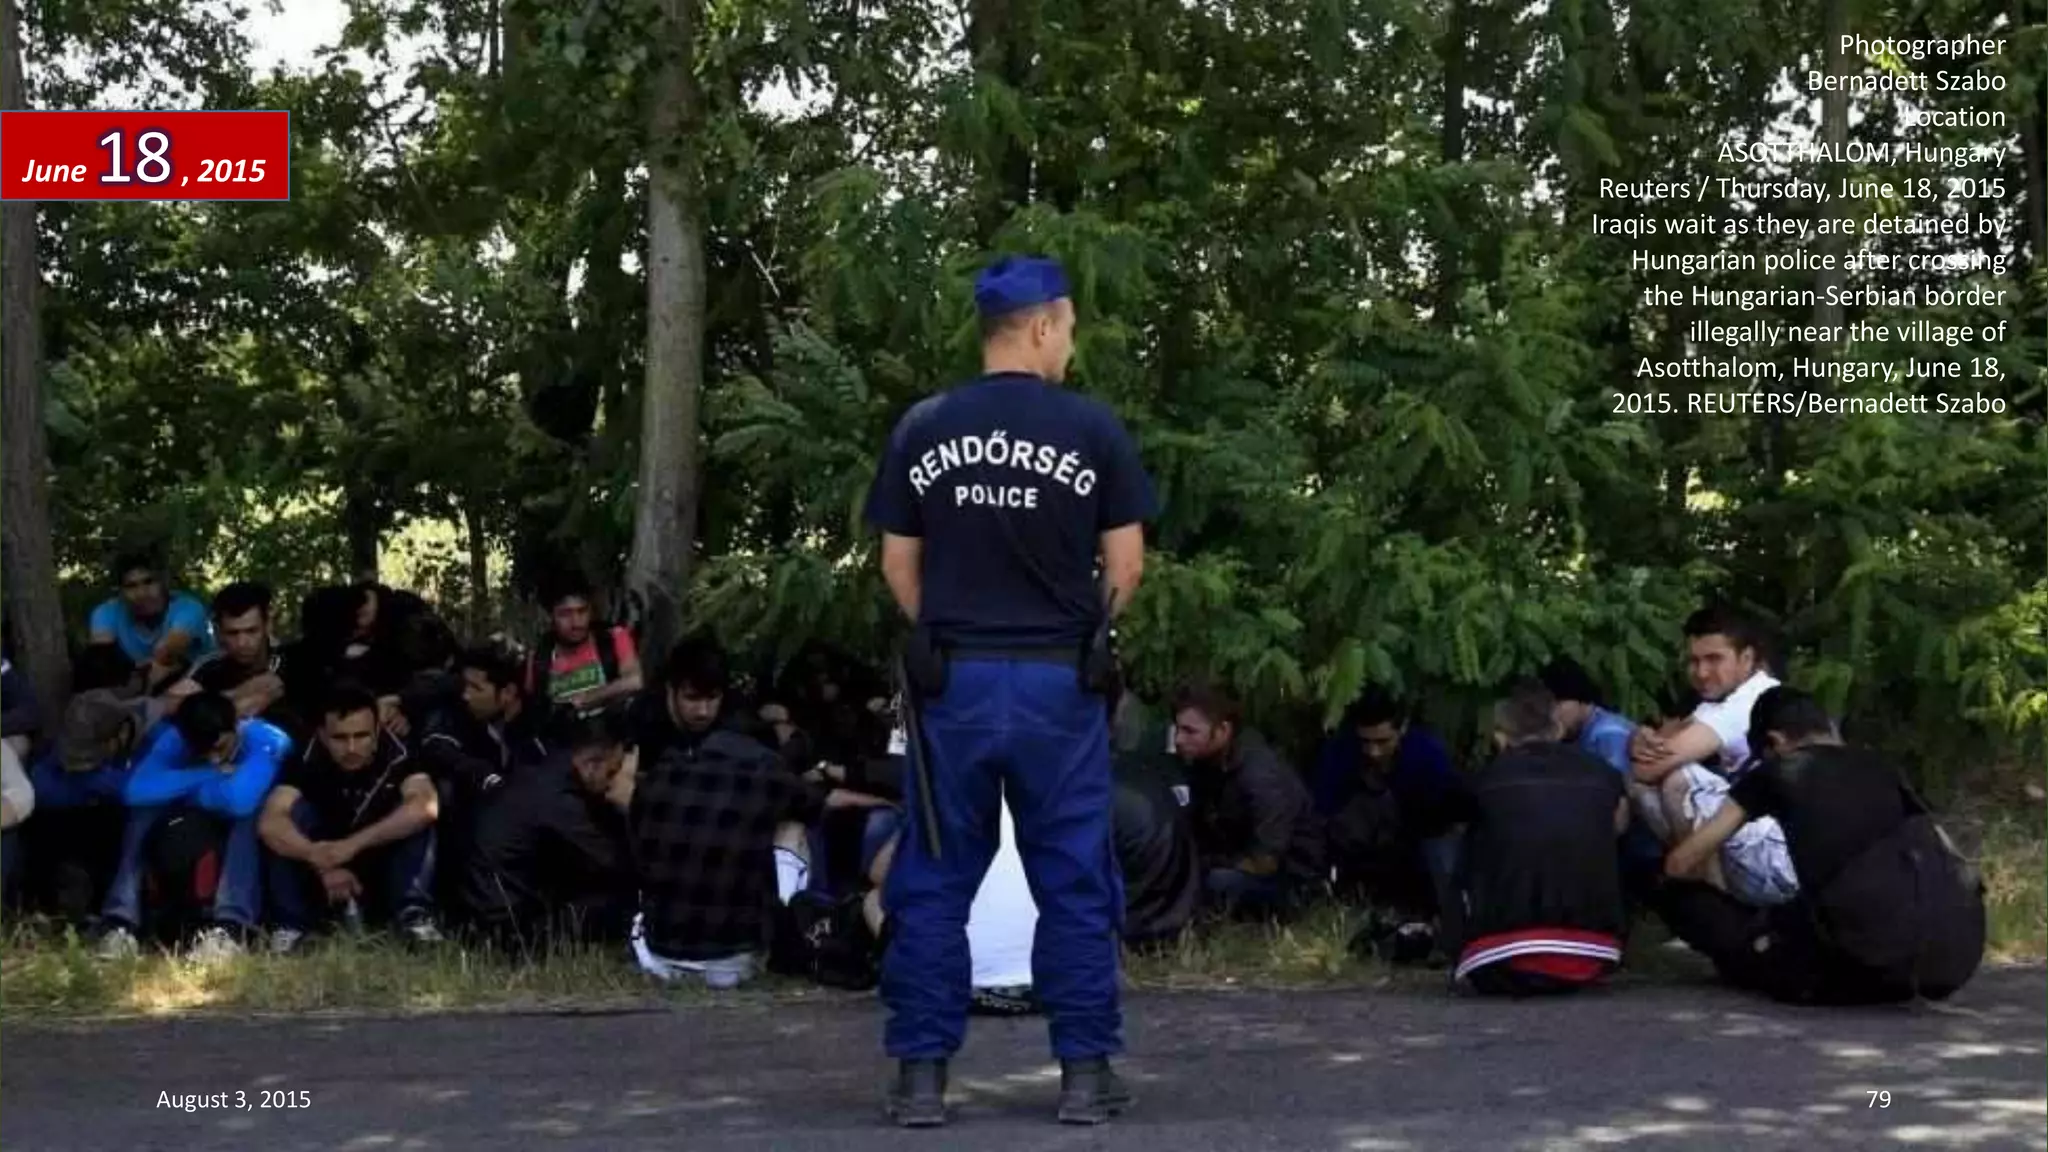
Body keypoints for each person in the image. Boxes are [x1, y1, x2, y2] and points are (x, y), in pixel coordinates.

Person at [862, 254, 1157, 1127]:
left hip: (953, 680)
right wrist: (1091, 633)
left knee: (934, 878)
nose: (1070, 343)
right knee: (1070, 875)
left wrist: (944, 631)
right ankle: (1084, 1077)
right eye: (1067, 327)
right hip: (1057, 685)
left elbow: (896, 564)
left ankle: (920, 1081)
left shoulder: (924, 427)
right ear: (1040, 326)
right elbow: (1127, 564)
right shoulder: (1090, 429)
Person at [1659, 687, 1985, 1004]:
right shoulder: (1883, 767)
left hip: (1861, 964)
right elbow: (1948, 851)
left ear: (1774, 742)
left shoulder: (1779, 770)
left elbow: (1682, 862)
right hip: (1954, 959)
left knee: (1681, 897)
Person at [1448, 681, 1629, 996]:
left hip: (1501, 957)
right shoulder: (1602, 773)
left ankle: (1457, 935)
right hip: (1594, 953)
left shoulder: (1484, 780)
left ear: (1500, 737)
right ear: (1557, 728)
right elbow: (1618, 827)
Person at [93, 692, 291, 961]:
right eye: (202, 752)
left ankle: (231, 928)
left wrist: (184, 788)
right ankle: (120, 922)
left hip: (255, 829)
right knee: (144, 810)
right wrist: (209, 775)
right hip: (196, 816)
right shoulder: (176, 738)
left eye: (219, 748)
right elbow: (135, 790)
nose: (212, 757)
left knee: (251, 810)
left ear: (235, 726)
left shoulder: (266, 739)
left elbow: (239, 800)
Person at [1628, 606, 1797, 908]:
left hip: (1783, 861)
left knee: (1679, 780)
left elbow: (1651, 767)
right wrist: (1638, 739)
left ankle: (1713, 906)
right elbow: (1654, 751)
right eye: (1694, 660)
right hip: (1757, 845)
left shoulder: (1753, 699)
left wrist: (1647, 752)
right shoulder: (1720, 702)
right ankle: (1711, 901)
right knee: (1644, 791)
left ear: (1746, 658)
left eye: (1714, 659)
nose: (1702, 672)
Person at [260, 685, 443, 953]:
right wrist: (318, 858)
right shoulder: (305, 757)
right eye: (340, 738)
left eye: (362, 736)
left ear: (377, 732)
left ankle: (413, 918)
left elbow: (425, 807)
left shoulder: (401, 754)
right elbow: (271, 821)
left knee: (413, 817)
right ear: (322, 734)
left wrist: (352, 846)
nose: (352, 748)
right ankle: (291, 926)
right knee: (292, 817)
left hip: (378, 858)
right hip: (318, 864)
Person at [459, 710, 633, 947]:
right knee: (622, 904)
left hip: (483, 915)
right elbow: (614, 862)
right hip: (509, 931)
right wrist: (633, 806)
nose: (612, 782)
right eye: (611, 772)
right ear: (591, 764)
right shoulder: (560, 800)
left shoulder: (541, 774)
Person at [1172, 681, 1324, 915]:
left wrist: (1202, 864)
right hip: (1237, 860)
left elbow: (1265, 861)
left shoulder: (1260, 776)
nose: (1179, 740)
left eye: (1190, 731)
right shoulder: (1207, 762)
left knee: (1215, 883)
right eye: (1178, 729)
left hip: (1290, 881)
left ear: (1223, 731)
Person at [180, 582, 299, 737]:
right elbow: (168, 705)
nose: (242, 643)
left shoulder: (294, 662)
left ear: (268, 625)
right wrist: (237, 696)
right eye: (233, 633)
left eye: (251, 631)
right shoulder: (210, 666)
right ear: (219, 632)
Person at [88, 553, 215, 690]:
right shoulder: (107, 612)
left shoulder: (188, 608)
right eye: (131, 586)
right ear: (120, 591)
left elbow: (167, 654)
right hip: (138, 687)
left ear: (164, 582)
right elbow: (100, 659)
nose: (142, 593)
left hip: (200, 685)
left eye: (149, 582)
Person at [528, 573, 642, 716]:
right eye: (565, 614)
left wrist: (592, 697)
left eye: (582, 611)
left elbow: (635, 681)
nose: (576, 622)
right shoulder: (541, 658)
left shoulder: (613, 639)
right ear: (551, 617)